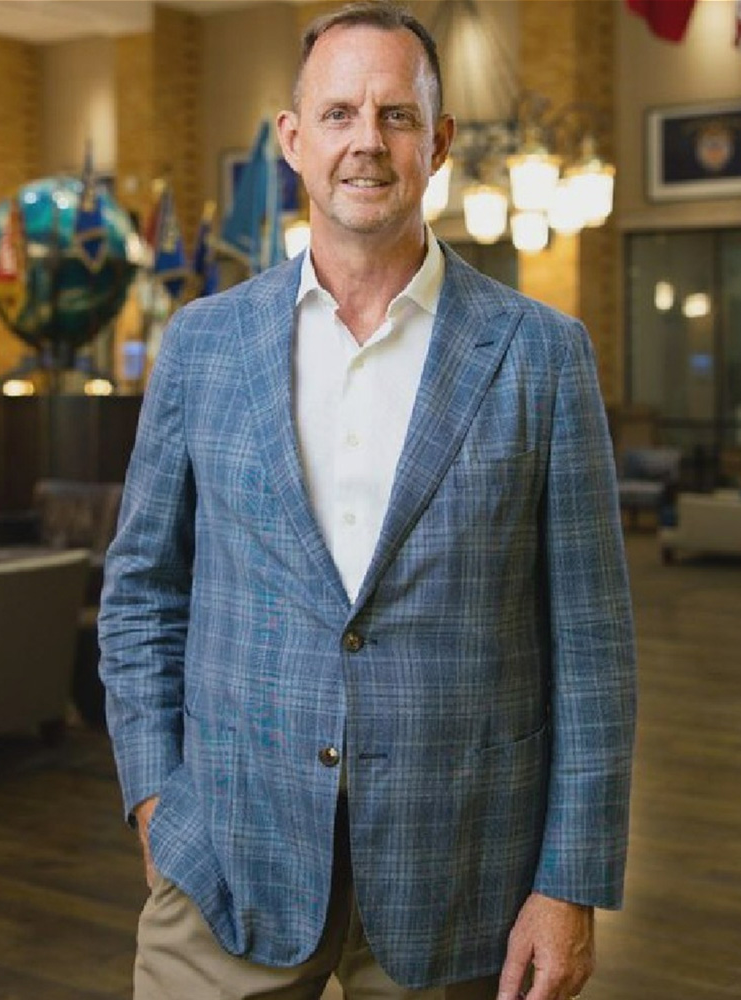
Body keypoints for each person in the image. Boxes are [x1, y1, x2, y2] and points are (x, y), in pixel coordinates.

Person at [98, 3, 636, 999]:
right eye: (338, 112)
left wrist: (571, 880)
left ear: (439, 143)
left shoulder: (540, 354)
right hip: (224, 862)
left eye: (395, 114)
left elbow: (593, 644)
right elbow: (140, 591)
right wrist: (155, 798)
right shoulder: (204, 345)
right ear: (293, 139)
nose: (366, 141)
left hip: (463, 871)